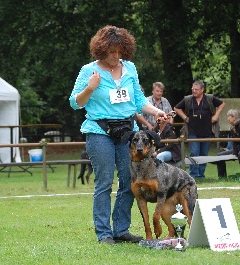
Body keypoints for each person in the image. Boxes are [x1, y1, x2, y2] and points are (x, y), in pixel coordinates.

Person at [69, 25, 169, 244]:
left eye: (119, 51)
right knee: (104, 182)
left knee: (128, 183)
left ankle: (121, 230)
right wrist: (90, 88)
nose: (116, 56)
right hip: (99, 131)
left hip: (128, 133)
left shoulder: (130, 68)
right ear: (101, 49)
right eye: (111, 52)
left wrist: (158, 111)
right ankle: (104, 233)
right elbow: (75, 103)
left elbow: (139, 101)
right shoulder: (89, 71)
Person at [174, 80, 225, 179]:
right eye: (193, 89)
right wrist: (185, 117)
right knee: (194, 152)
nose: (194, 91)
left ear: (202, 89)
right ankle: (193, 175)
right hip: (193, 131)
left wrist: (216, 116)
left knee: (204, 154)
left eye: (196, 89)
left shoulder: (209, 98)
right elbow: (177, 108)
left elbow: (222, 104)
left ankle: (201, 175)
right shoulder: (188, 99)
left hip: (207, 130)